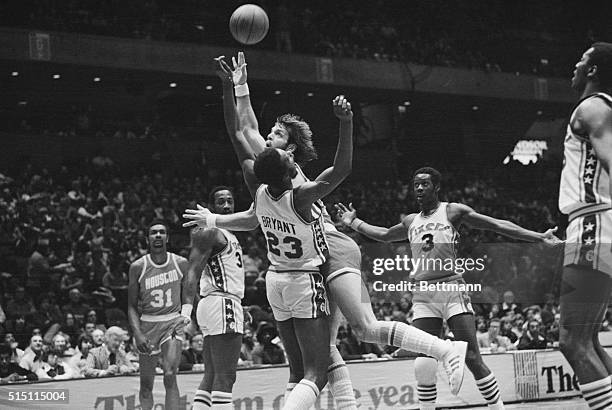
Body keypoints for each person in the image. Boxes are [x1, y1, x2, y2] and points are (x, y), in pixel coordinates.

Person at [184, 53, 468, 406]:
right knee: (326, 349)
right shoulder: (273, 181)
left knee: (363, 328)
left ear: (288, 149)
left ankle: (445, 349)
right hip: (310, 258)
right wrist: (238, 84)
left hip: (335, 247)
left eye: (276, 133)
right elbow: (244, 137)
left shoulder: (282, 177)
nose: (267, 134)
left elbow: (242, 130)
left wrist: (237, 86)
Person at [336, 166, 560, 410]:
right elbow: (384, 234)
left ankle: (498, 407)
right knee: (424, 360)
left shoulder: (452, 211)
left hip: (451, 287)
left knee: (473, 357)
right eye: (416, 185)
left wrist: (538, 237)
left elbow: (496, 224)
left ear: (436, 187)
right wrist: (353, 222)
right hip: (423, 293)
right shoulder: (411, 220)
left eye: (425, 184)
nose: (419, 188)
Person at [558, 41, 612, 410]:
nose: (575, 66)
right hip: (597, 225)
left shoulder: (592, 107)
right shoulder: (604, 107)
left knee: (572, 342)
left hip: (592, 225)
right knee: (588, 340)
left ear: (592, 70)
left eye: (581, 60)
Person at [182, 186, 245, 410]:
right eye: (221, 202)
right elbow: (191, 271)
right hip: (221, 303)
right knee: (226, 377)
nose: (227, 205)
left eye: (230, 200)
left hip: (217, 304)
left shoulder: (228, 233)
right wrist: (185, 311)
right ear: (211, 207)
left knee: (211, 375)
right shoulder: (211, 231)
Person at [127, 220, 190, 410]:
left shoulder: (181, 263)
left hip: (172, 321)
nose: (157, 235)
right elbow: (130, 305)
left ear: (167, 238)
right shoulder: (138, 266)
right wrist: (137, 333)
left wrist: (187, 315)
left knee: (170, 375)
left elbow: (189, 294)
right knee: (146, 385)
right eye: (153, 233)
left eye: (162, 232)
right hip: (147, 324)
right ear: (147, 239)